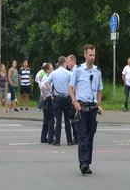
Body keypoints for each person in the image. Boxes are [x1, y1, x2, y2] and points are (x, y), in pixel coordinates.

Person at [70, 44, 103, 175]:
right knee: (82, 135)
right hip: (81, 106)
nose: (92, 57)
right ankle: (83, 162)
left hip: (92, 107)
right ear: (85, 55)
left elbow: (100, 89)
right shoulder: (78, 70)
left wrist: (98, 104)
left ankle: (87, 162)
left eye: (94, 55)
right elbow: (71, 87)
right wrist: (75, 102)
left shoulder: (97, 71)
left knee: (90, 135)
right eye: (90, 55)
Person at [42, 56, 73, 146]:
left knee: (58, 120)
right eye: (66, 62)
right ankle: (69, 140)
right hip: (67, 98)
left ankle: (57, 140)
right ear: (64, 62)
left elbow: (46, 83)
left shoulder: (54, 73)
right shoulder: (68, 73)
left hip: (57, 98)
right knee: (67, 120)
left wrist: (52, 92)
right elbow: (73, 84)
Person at [37, 63, 55, 143]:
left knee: (46, 119)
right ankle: (50, 138)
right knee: (51, 119)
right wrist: (46, 95)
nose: (53, 69)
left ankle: (43, 138)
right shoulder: (48, 77)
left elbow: (41, 86)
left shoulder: (44, 77)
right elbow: (43, 87)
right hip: (48, 98)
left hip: (45, 99)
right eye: (51, 68)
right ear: (47, 70)